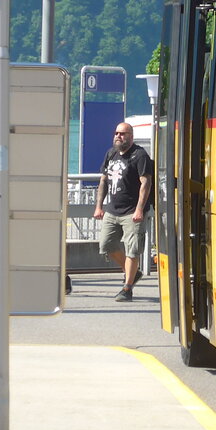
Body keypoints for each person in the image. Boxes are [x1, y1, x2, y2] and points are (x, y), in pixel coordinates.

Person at [93, 121, 153, 302]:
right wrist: (99, 206)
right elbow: (103, 181)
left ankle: (127, 288)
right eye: (117, 133)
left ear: (131, 137)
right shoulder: (111, 154)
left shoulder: (140, 155)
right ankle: (133, 273)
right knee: (106, 246)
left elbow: (146, 183)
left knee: (132, 251)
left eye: (123, 134)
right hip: (113, 210)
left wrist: (139, 210)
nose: (119, 136)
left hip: (132, 212)